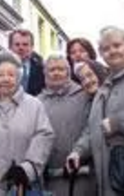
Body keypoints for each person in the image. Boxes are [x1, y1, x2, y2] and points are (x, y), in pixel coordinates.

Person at [68, 26, 124, 196]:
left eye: (116, 45)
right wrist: (78, 151)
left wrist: (118, 122)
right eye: (105, 49)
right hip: (108, 185)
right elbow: (93, 130)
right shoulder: (103, 89)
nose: (111, 51)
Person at [0, 51, 54, 196]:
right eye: (0, 75)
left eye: (11, 75)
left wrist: (27, 169)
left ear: (19, 78)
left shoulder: (34, 105)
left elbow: (44, 137)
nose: (6, 79)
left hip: (24, 187)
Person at [38, 55, 96, 196]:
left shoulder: (84, 96)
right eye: (52, 69)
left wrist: (79, 152)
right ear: (45, 73)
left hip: (82, 177)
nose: (56, 73)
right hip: (50, 181)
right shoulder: (37, 102)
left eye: (61, 69)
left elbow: (91, 129)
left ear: (68, 72)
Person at [8, 29, 45, 96]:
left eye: (25, 44)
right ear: (10, 47)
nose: (21, 48)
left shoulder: (42, 70)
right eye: (17, 44)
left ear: (32, 47)